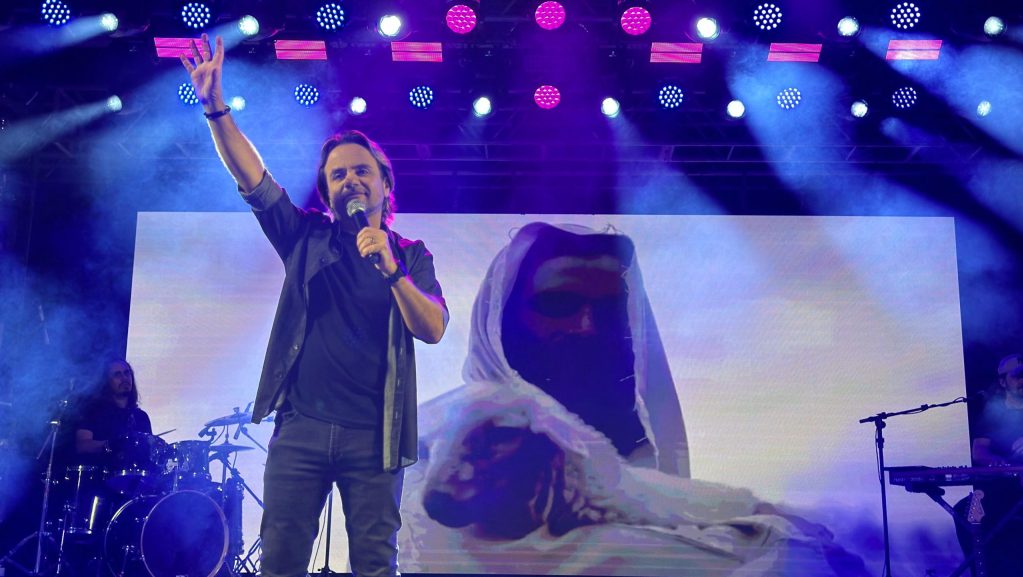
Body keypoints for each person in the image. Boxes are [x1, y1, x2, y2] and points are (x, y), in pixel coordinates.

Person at [399, 222, 864, 576]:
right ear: (503, 322)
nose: (588, 328)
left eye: (610, 308)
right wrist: (779, 543)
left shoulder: (602, 451)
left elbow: (634, 493)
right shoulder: (446, 442)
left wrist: (762, 516)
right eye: (559, 304)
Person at [180, 34, 448, 577]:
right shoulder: (305, 238)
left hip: (374, 437)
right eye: (338, 174)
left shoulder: (411, 255)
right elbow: (254, 180)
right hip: (301, 430)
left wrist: (392, 272)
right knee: (280, 561)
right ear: (327, 192)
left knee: (375, 564)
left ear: (384, 184)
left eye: (361, 170)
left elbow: (433, 328)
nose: (351, 179)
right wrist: (215, 108)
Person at [955, 353, 1023, 577]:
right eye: (1018, 375)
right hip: (1004, 487)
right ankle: (985, 571)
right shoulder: (993, 413)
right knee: (965, 510)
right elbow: (979, 451)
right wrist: (999, 462)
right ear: (1003, 381)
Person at [75, 359, 153, 460]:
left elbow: (149, 451)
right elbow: (83, 445)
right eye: (117, 375)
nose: (124, 378)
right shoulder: (92, 411)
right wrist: (112, 445)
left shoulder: (141, 417)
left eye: (127, 373)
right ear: (106, 381)